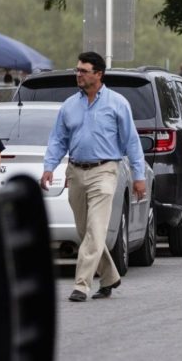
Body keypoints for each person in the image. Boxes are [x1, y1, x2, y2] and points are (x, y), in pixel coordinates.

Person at [41, 51, 146, 302]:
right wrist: (49, 167)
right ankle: (110, 276)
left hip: (105, 171)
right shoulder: (69, 105)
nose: (77, 74)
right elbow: (58, 139)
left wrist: (139, 176)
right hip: (76, 172)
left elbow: (131, 142)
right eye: (77, 70)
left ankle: (81, 284)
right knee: (85, 231)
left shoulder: (117, 103)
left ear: (98, 74)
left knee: (96, 230)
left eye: (83, 71)